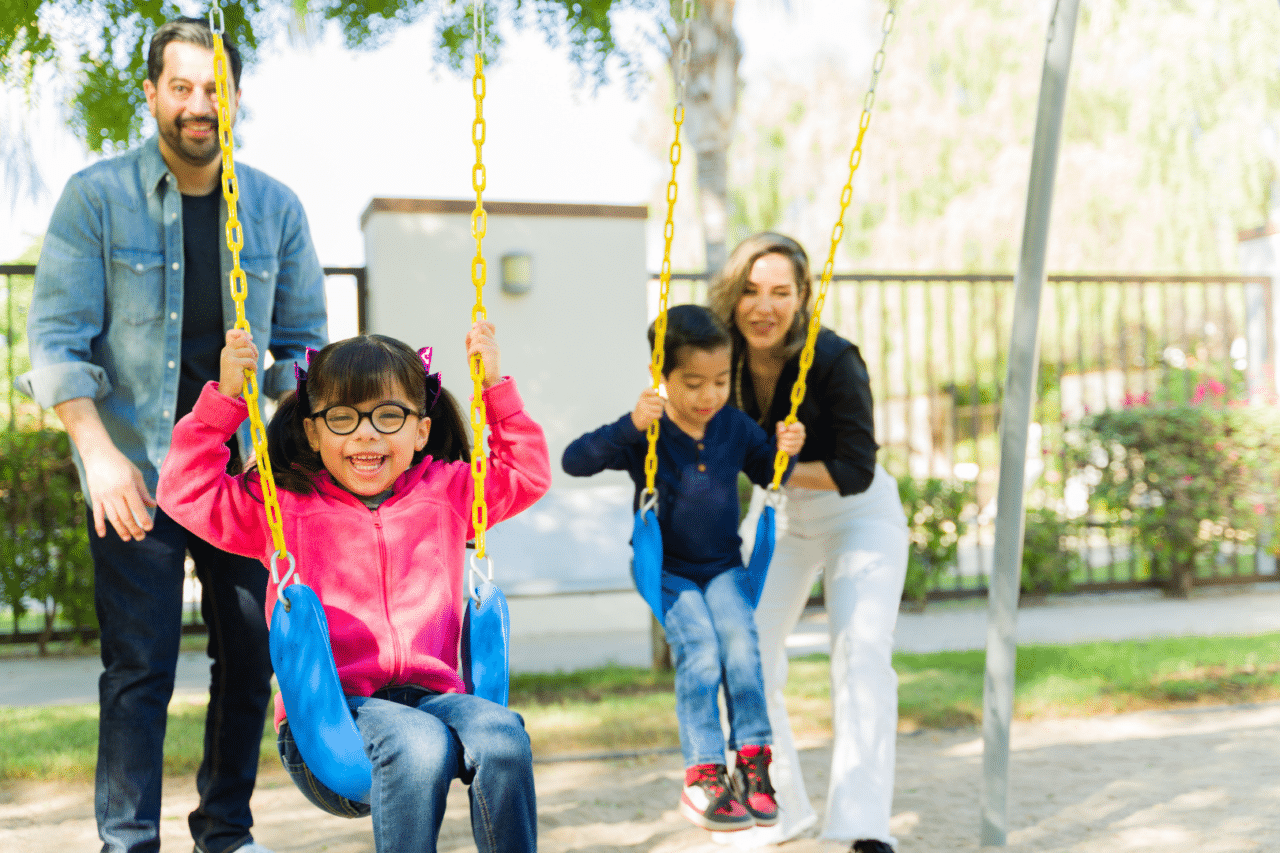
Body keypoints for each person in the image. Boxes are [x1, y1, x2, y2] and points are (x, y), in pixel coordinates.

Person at [16, 17, 328, 853]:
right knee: (140, 669)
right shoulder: (97, 198)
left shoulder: (274, 208)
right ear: (151, 94)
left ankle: (224, 829)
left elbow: (302, 346)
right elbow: (55, 342)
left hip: (237, 473)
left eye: (214, 91)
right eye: (182, 87)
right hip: (136, 470)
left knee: (251, 656)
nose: (199, 106)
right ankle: (129, 841)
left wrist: (286, 426)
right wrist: (96, 454)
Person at [157, 323, 548, 853]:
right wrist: (225, 399)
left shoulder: (450, 493)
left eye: (389, 416)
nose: (366, 434)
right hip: (331, 712)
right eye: (342, 418)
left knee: (502, 733)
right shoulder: (282, 504)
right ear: (314, 432)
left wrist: (495, 387)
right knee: (419, 743)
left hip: (433, 698)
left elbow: (526, 471)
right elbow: (185, 490)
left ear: (422, 431)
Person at [561, 304, 805, 833]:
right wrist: (630, 425)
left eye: (720, 381)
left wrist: (785, 450)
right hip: (668, 569)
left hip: (721, 567)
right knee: (700, 649)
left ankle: (753, 763)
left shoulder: (733, 426)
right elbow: (575, 459)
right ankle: (704, 774)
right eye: (693, 383)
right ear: (662, 377)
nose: (708, 396)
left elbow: (769, 473)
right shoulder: (646, 431)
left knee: (742, 644)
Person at [707, 233, 909, 853]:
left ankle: (862, 825)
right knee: (738, 653)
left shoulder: (832, 358)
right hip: (781, 515)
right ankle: (776, 807)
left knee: (860, 653)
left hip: (859, 515)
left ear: (801, 299)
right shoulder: (723, 363)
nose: (763, 307)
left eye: (779, 292)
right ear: (732, 296)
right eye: (750, 291)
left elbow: (856, 470)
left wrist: (777, 464)